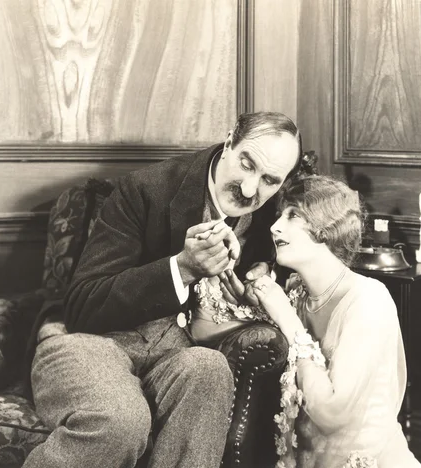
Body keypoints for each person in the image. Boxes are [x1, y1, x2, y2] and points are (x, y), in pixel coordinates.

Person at [23, 112, 302, 468]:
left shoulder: (269, 215)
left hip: (175, 355)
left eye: (269, 180)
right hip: (90, 341)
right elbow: (83, 306)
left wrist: (262, 274)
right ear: (230, 140)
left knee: (210, 368)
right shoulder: (144, 189)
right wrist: (183, 267)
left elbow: (278, 259)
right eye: (247, 164)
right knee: (122, 420)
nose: (250, 189)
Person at [249, 175, 421, 468]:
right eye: (280, 214)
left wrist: (286, 318)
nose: (274, 226)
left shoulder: (368, 300)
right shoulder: (296, 293)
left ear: (326, 229)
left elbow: (332, 412)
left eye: (292, 216)